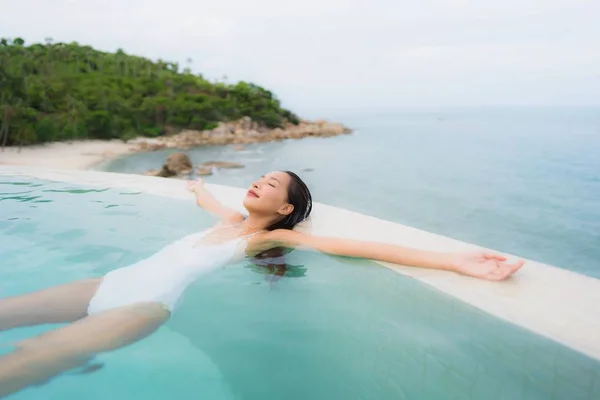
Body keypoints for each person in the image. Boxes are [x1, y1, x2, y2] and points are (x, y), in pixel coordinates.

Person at [0, 171, 524, 396]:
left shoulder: (261, 240)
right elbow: (209, 202)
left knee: (23, 362)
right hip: (107, 283)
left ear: (285, 209)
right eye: (260, 177)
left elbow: (355, 247)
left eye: (271, 184)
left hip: (140, 307)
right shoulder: (229, 220)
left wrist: (456, 261)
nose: (258, 182)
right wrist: (198, 187)